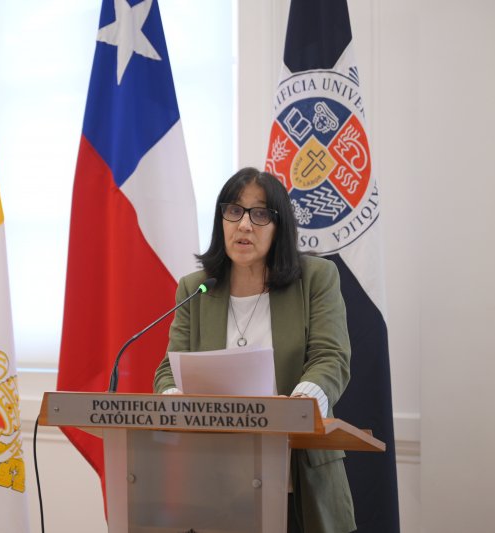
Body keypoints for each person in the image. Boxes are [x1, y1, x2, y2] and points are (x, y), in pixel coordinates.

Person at [153, 167, 356, 533]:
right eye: (234, 210)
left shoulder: (316, 278)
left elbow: (331, 357)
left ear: (280, 227)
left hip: (297, 477)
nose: (244, 225)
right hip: (217, 484)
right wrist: (175, 400)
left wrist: (299, 406)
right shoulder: (196, 289)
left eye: (260, 214)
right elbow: (169, 368)